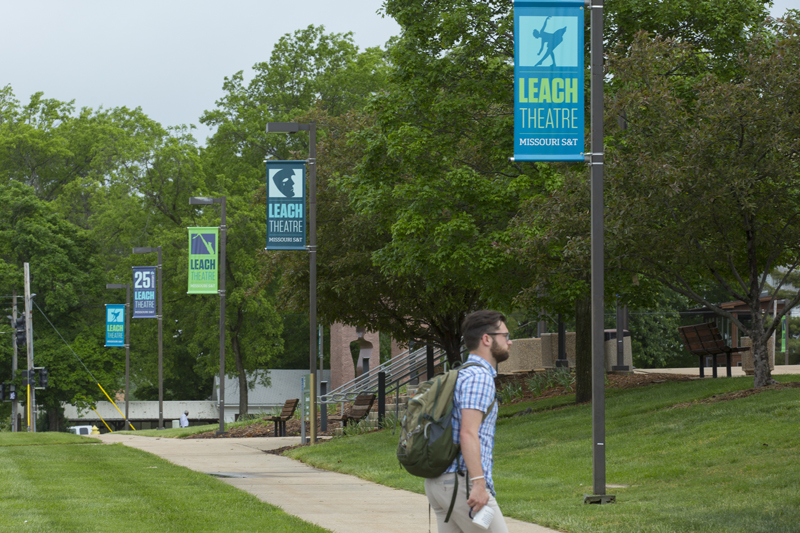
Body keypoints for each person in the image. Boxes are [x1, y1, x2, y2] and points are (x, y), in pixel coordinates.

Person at [424, 310, 511, 532]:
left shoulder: (461, 373)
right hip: (462, 484)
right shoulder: (479, 377)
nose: (509, 342)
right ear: (487, 339)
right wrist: (479, 484)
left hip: (440, 483)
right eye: (505, 336)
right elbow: (468, 433)